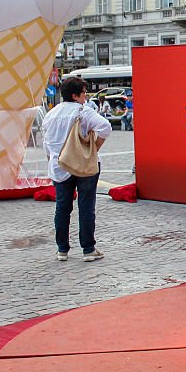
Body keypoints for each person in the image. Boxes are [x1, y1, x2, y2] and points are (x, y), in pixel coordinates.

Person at [42, 77, 113, 261]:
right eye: (83, 93)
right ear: (75, 96)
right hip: (84, 165)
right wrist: (95, 148)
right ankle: (88, 249)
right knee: (86, 206)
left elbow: (46, 144)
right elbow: (105, 127)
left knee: (62, 207)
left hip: (59, 166)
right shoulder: (83, 112)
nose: (86, 97)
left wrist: (52, 159)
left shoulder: (51, 114)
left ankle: (62, 249)